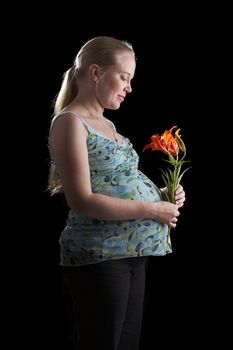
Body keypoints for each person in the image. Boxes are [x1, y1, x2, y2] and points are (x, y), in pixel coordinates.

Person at [48, 36, 186, 350]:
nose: (129, 87)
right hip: (100, 255)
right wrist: (152, 210)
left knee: (126, 344)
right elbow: (81, 200)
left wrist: (163, 194)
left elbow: (117, 185)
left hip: (132, 253)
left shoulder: (108, 126)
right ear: (95, 72)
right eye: (124, 77)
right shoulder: (71, 123)